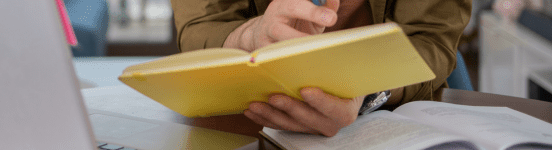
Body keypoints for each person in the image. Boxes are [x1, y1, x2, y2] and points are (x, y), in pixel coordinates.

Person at [170, 0, 471, 137]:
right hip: (242, 124)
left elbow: (431, 37)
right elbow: (199, 27)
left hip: (388, 123)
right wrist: (249, 35)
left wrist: (366, 89)